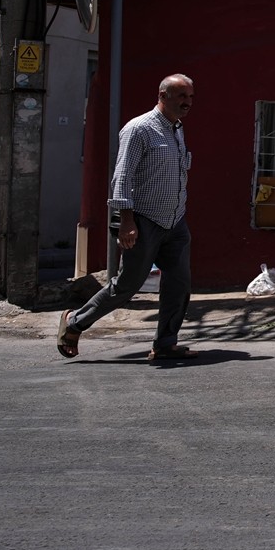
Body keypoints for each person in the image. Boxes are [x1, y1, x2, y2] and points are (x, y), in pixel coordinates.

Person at [58, 74, 196, 360]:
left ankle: (165, 343)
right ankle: (74, 322)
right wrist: (126, 221)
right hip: (144, 220)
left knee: (179, 283)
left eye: (190, 97)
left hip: (175, 221)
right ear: (163, 95)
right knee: (127, 285)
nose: (187, 102)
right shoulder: (139, 129)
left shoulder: (178, 129)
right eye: (182, 96)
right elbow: (122, 177)